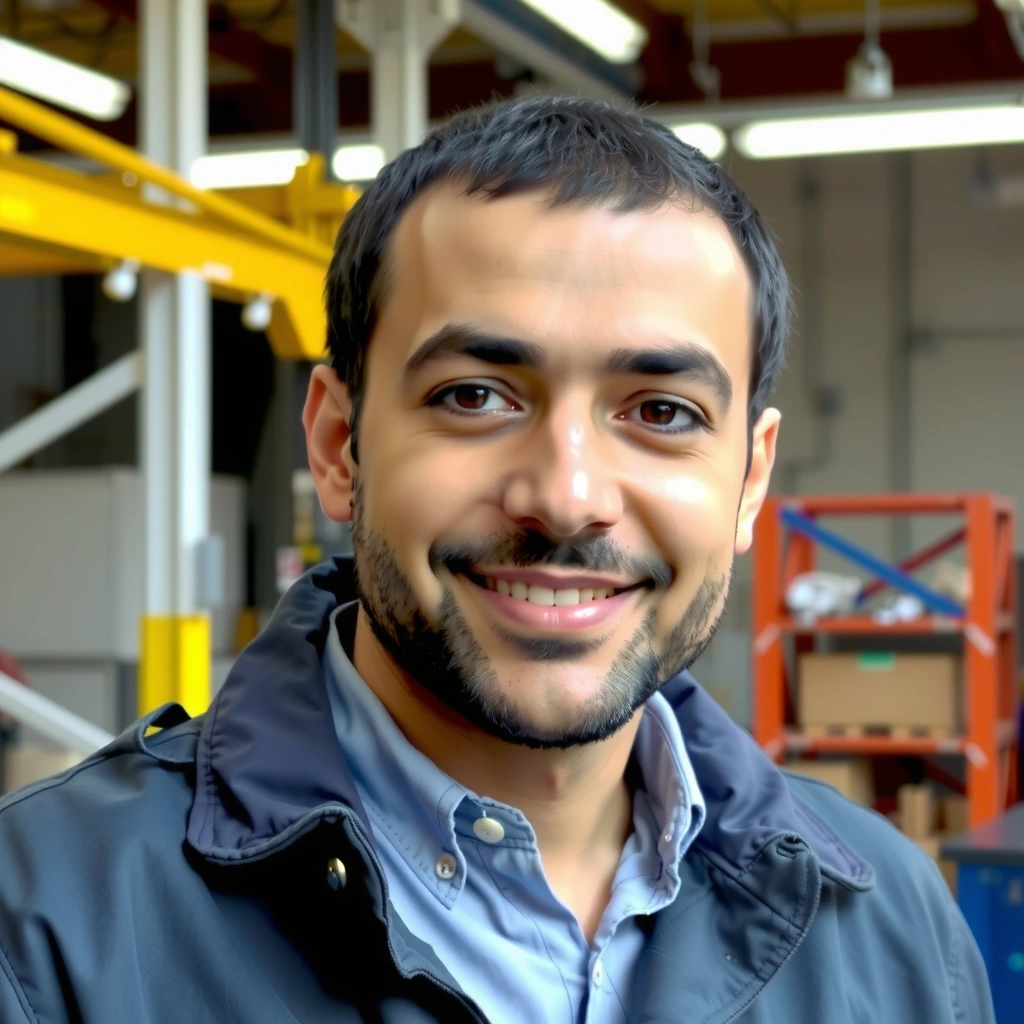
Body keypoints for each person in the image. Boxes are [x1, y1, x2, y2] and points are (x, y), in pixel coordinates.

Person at [0, 96, 993, 1024]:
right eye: (475, 395)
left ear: (746, 480)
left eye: (660, 413)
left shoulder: (892, 931)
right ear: (340, 446)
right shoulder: (43, 930)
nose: (565, 496)